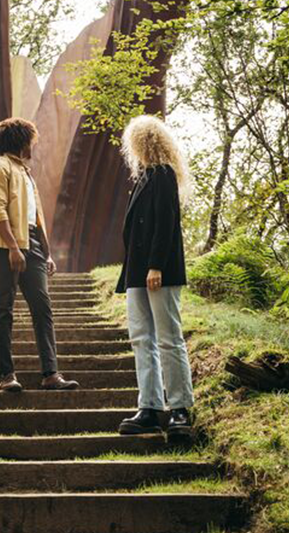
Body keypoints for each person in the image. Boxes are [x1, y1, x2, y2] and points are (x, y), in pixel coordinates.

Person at [0, 117, 78, 392]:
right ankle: (5, 374)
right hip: (5, 245)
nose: (33, 146)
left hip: (32, 244)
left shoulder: (25, 173)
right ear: (21, 141)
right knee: (3, 308)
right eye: (30, 141)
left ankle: (51, 373)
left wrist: (46, 253)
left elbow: (35, 216)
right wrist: (13, 247)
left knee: (42, 308)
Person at [115, 114, 194, 438]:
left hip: (158, 270)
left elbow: (166, 223)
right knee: (141, 339)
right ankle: (148, 407)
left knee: (169, 338)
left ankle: (180, 408)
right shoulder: (144, 178)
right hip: (137, 271)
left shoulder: (163, 175)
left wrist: (156, 265)